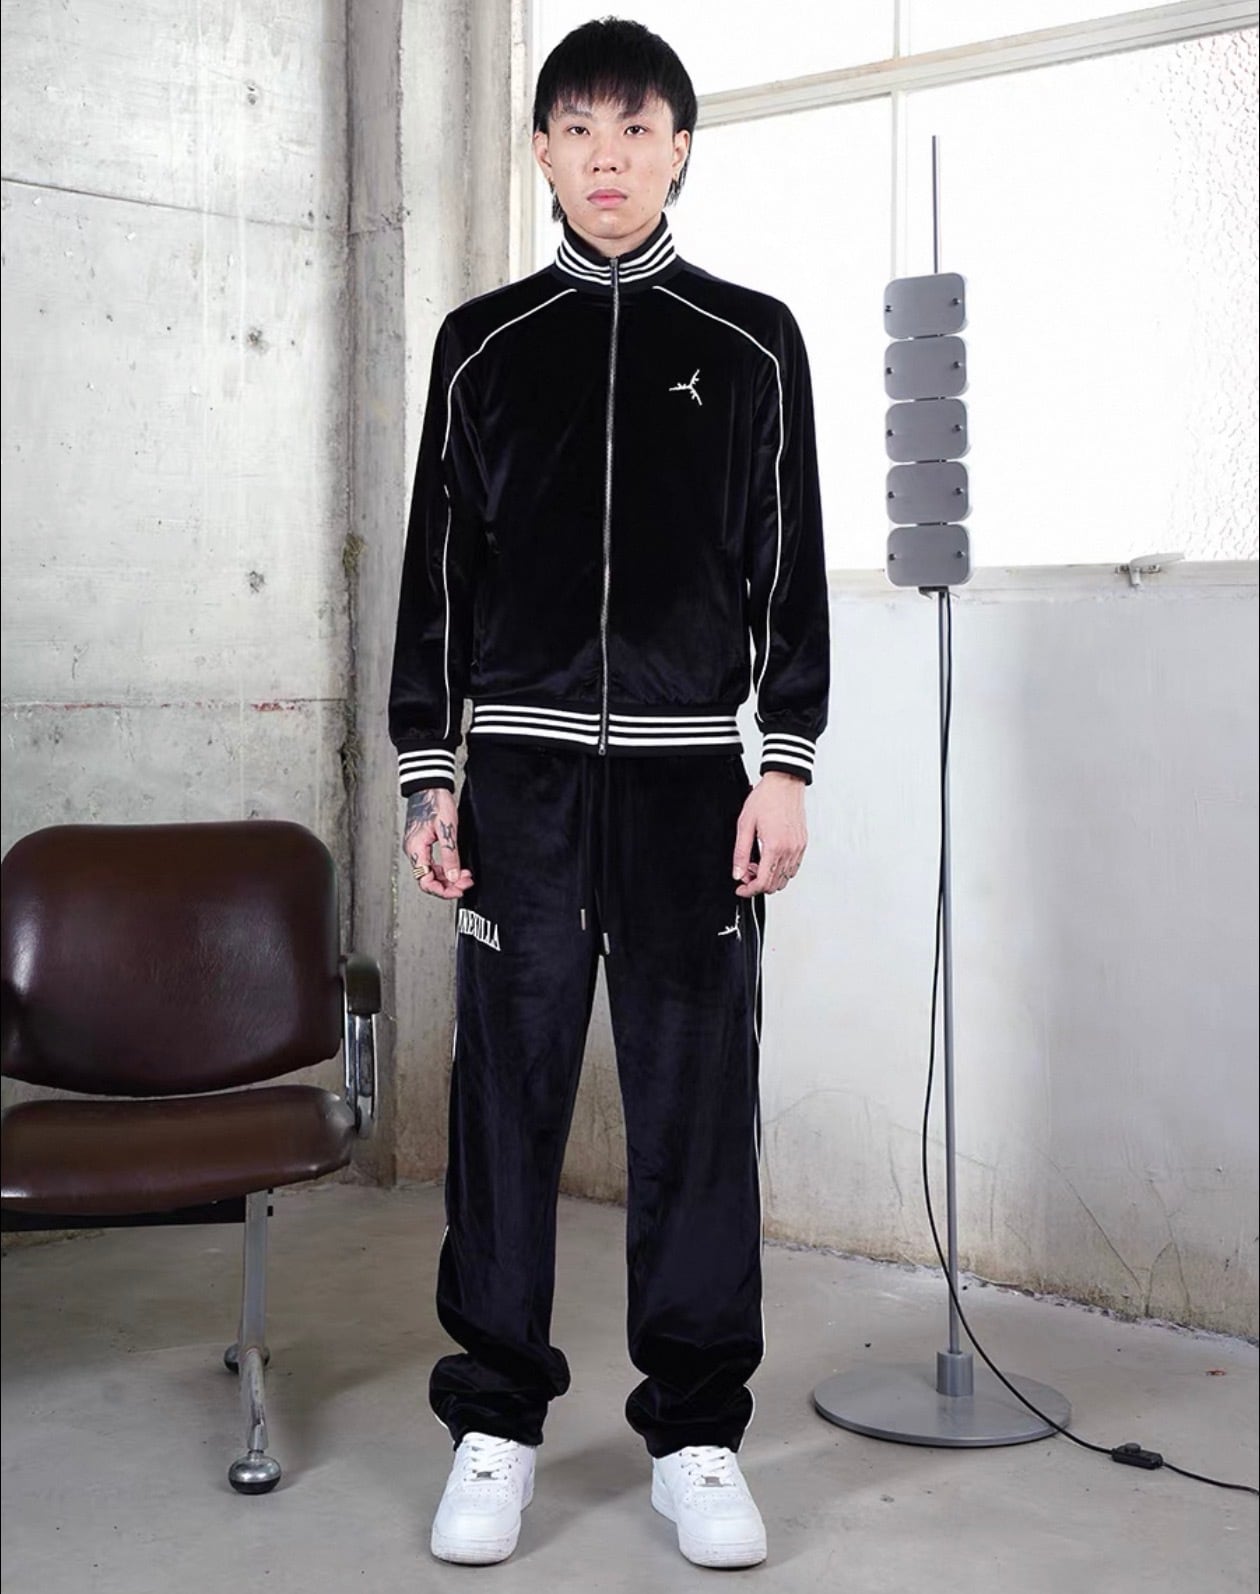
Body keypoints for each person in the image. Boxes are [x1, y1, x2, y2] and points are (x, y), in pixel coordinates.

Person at [389, 16, 829, 1570]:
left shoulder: (755, 343)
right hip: (516, 788)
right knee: (502, 1105)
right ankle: (496, 1423)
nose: (608, 158)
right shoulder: (484, 344)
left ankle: (697, 1433)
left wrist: (785, 759)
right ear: (542, 152)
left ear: (680, 147)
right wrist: (430, 776)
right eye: (577, 129)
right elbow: (439, 575)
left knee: (695, 1112)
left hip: (687, 789)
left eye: (636, 128)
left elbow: (791, 569)